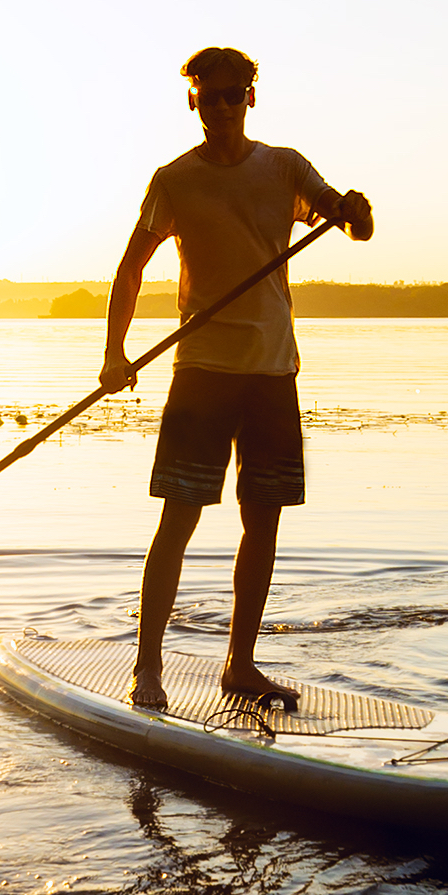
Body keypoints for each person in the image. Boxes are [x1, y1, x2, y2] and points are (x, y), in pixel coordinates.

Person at [100, 47, 372, 712]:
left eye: (233, 94)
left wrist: (357, 211)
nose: (220, 106)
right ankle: (148, 670)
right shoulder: (173, 180)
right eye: (208, 95)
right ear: (191, 100)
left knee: (264, 521)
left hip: (273, 372)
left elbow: (353, 226)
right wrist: (116, 353)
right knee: (179, 520)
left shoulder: (285, 167)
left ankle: (240, 664)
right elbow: (131, 267)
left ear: (251, 97)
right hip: (202, 373)